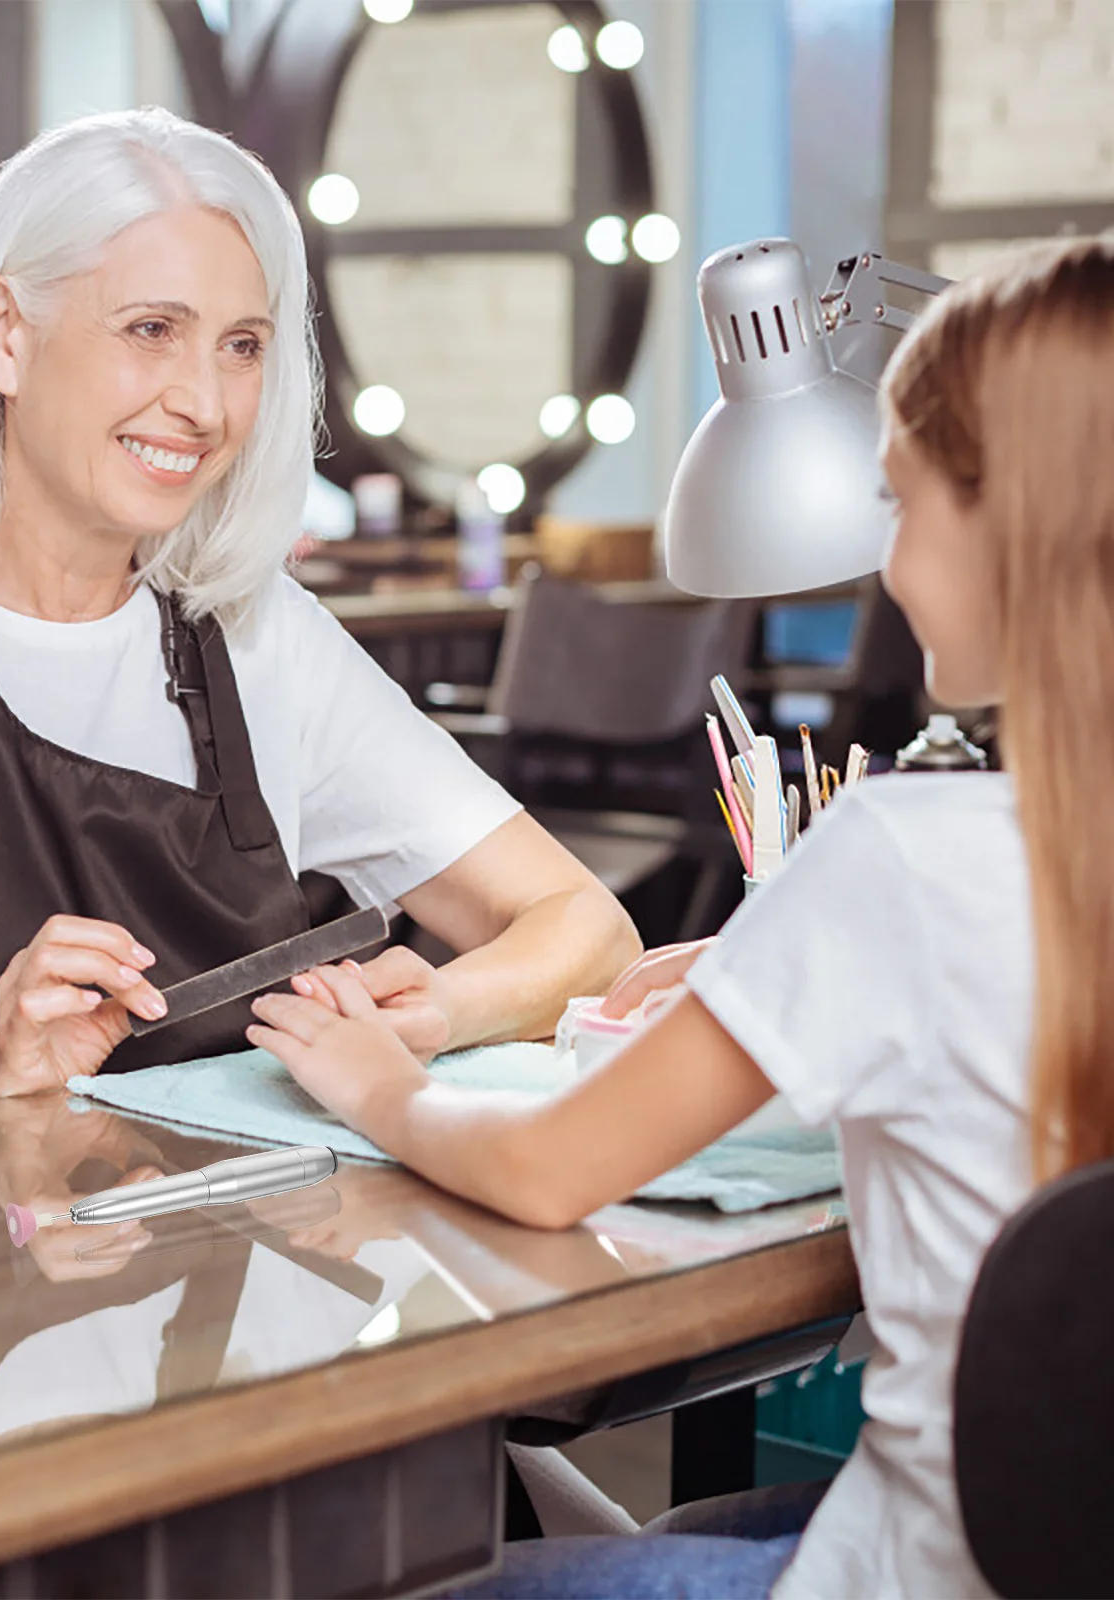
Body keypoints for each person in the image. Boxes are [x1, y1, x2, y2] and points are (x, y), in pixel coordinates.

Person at [245, 233, 1114, 1598]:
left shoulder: (904, 858)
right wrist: (765, 960)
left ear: (1012, 521)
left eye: (897, 504)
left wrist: (378, 1086)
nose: (883, 566)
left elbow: (547, 1173)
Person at [0, 108, 639, 1150]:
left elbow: (587, 931)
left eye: (240, 346)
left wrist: (425, 1012)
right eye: (150, 329)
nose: (201, 402)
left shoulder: (260, 641)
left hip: (238, 1283)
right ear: (7, 339)